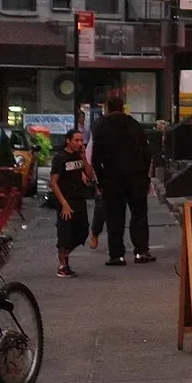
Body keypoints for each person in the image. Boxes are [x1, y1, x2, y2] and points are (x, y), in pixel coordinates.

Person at [90, 91, 155, 264]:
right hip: (136, 179)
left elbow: (96, 158)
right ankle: (141, 251)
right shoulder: (134, 125)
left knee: (115, 217)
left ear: (108, 108)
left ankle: (117, 255)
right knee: (139, 215)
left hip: (112, 179)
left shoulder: (101, 127)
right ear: (122, 108)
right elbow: (147, 153)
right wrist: (145, 177)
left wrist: (100, 180)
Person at [49, 127, 91, 276]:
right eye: (76, 140)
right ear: (68, 141)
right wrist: (63, 203)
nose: (80, 143)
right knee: (65, 233)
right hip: (65, 200)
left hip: (79, 198)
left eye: (81, 140)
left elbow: (90, 175)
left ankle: (65, 255)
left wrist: (84, 157)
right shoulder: (60, 158)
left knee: (82, 231)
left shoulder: (79, 156)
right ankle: (62, 264)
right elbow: (53, 182)